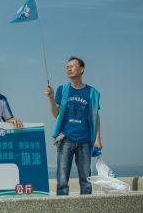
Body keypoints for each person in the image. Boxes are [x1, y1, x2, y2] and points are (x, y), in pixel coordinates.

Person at [45, 57, 102, 195]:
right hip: (66, 138)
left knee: (86, 180)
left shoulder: (92, 92)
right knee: (62, 180)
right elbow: (55, 114)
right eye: (67, 67)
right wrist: (51, 98)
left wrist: (97, 139)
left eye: (72, 66)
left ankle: (86, 208)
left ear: (81, 70)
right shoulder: (62, 89)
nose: (68, 69)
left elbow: (95, 116)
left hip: (85, 140)